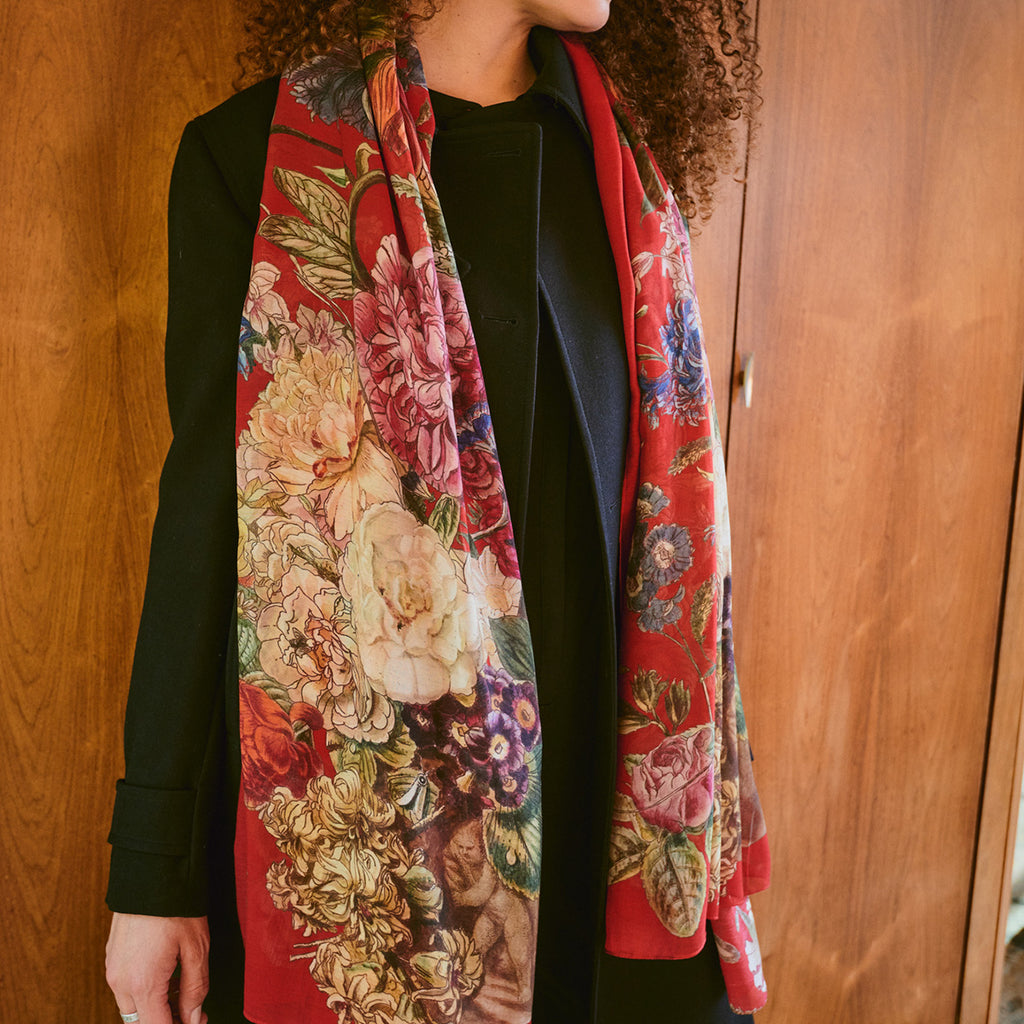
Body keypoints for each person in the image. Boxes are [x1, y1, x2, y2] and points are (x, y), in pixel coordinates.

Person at [104, 2, 768, 1023]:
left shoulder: (626, 169)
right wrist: (152, 869)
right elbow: (205, 529)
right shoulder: (254, 161)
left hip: (611, 832)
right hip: (395, 860)